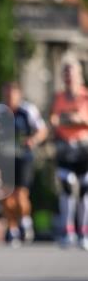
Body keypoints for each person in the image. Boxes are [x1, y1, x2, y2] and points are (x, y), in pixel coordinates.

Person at [0, 81, 47, 246]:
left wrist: (34, 140)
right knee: (7, 198)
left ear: (19, 95)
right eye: (6, 94)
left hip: (23, 158)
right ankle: (13, 229)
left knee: (21, 196)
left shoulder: (28, 110)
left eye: (12, 94)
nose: (9, 97)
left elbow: (42, 130)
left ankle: (25, 220)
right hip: (4, 159)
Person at [49, 57, 88, 249]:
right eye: (65, 72)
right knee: (66, 186)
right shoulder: (59, 98)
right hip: (65, 146)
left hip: (83, 147)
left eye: (71, 72)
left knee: (85, 189)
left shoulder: (85, 97)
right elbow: (55, 121)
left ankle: (84, 231)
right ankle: (68, 230)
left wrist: (75, 120)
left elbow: (83, 120)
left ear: (79, 74)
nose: (68, 76)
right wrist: (70, 120)